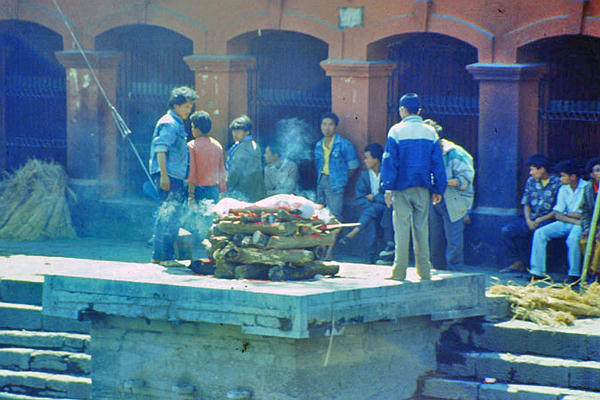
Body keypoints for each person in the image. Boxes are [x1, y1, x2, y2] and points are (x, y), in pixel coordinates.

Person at [381, 93, 447, 281]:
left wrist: (387, 188)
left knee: (401, 229)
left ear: (402, 110)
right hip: (423, 189)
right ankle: (424, 271)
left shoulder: (396, 131)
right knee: (421, 229)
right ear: (419, 111)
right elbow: (438, 164)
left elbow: (389, 163)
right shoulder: (430, 132)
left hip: (401, 189)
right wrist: (438, 189)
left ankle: (399, 271)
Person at [148, 86, 198, 267]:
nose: (189, 111)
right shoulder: (170, 123)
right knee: (169, 215)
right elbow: (161, 149)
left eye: (190, 107)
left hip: (172, 175)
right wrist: (164, 176)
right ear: (176, 105)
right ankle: (166, 257)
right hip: (168, 175)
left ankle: (160, 255)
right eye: (186, 107)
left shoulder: (175, 122)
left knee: (167, 214)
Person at [423, 119, 475, 271]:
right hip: (434, 198)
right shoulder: (426, 153)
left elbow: (465, 181)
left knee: (454, 239)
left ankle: (455, 271)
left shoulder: (456, 153)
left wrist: (441, 181)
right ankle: (437, 268)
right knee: (435, 237)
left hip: (455, 200)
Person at [500, 154, 562, 273]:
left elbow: (558, 208)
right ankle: (517, 262)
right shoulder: (531, 181)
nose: (530, 173)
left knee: (539, 233)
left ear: (542, 169)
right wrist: (528, 220)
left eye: (532, 169)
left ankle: (537, 268)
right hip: (531, 218)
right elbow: (526, 203)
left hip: (549, 219)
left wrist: (540, 220)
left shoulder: (557, 182)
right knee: (507, 230)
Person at [529, 160, 587, 281]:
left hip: (581, 224)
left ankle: (574, 274)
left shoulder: (586, 188)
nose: (560, 179)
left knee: (573, 239)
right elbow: (557, 214)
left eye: (563, 176)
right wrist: (573, 217)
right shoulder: (563, 189)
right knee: (540, 233)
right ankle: (537, 271)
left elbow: (585, 215)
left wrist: (570, 215)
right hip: (570, 222)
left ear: (573, 176)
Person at [314, 112, 359, 259]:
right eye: (324, 124)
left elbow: (353, 166)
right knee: (320, 216)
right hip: (321, 182)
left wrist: (341, 179)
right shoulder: (318, 145)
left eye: (330, 124)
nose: (327, 128)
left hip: (335, 184)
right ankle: (321, 249)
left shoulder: (344, 144)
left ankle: (330, 252)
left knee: (335, 217)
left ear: (336, 127)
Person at [339, 143, 393, 263]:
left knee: (374, 212)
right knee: (372, 219)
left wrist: (374, 198)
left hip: (387, 208)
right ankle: (371, 256)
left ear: (376, 159)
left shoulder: (387, 173)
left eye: (367, 158)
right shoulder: (364, 175)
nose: (365, 161)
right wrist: (373, 204)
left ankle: (353, 234)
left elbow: (388, 196)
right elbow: (360, 197)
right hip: (371, 209)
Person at [187, 110, 226, 205]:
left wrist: (191, 195)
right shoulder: (217, 145)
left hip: (198, 190)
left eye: (192, 127)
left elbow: (192, 171)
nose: (192, 130)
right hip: (214, 190)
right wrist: (222, 192)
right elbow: (222, 171)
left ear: (197, 129)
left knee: (198, 218)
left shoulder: (192, 146)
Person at [225, 115, 265, 202]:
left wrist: (226, 188)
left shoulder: (242, 148)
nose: (235, 133)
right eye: (234, 130)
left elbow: (235, 173)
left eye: (238, 130)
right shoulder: (254, 145)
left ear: (247, 132)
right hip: (255, 193)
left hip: (242, 193)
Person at [579, 157, 600, 281]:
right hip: (594, 225)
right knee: (584, 241)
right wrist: (587, 228)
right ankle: (589, 270)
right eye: (597, 170)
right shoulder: (588, 188)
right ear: (592, 175)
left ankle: (596, 275)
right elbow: (585, 211)